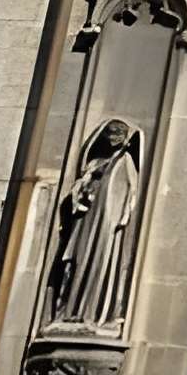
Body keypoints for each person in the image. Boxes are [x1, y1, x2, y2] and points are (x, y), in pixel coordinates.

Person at [47, 120, 141, 329]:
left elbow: (130, 192)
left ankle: (92, 312)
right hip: (85, 220)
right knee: (75, 260)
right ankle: (68, 311)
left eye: (118, 133)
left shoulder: (125, 161)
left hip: (106, 223)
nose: (113, 137)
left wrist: (120, 216)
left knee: (98, 262)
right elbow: (79, 187)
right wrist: (82, 191)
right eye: (110, 133)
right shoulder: (95, 162)